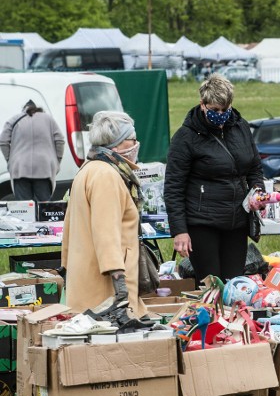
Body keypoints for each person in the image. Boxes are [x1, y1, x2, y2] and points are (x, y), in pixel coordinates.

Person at [164, 74, 264, 284]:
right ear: (203, 105)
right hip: (202, 222)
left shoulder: (241, 127)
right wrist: (180, 231)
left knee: (234, 282)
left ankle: (232, 317)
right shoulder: (185, 137)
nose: (220, 114)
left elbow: (254, 166)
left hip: (237, 219)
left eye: (224, 110)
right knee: (211, 285)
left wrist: (258, 191)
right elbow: (173, 187)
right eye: (215, 110)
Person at [61, 111, 147, 318]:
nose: (136, 144)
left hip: (86, 276)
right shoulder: (107, 175)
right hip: (105, 287)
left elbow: (69, 226)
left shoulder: (89, 168)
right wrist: (119, 283)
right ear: (116, 145)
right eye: (131, 139)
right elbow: (106, 232)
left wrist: (65, 265)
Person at [0, 100, 64, 201]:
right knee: (44, 208)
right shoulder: (49, 119)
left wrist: (11, 161)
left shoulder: (13, 120)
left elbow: (3, 141)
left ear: (24, 109)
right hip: (44, 168)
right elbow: (60, 140)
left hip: (20, 169)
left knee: (24, 209)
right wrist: (56, 161)